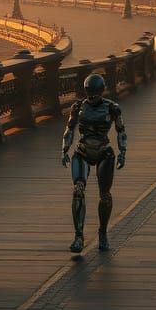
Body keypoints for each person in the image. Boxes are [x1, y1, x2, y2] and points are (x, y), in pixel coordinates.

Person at [61, 72, 127, 253]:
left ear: (102, 90)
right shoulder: (78, 107)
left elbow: (121, 130)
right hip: (82, 151)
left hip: (103, 152)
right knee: (78, 189)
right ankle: (78, 236)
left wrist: (122, 152)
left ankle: (103, 232)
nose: (93, 96)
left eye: (96, 92)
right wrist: (65, 149)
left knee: (104, 195)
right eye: (90, 92)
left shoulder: (112, 108)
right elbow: (69, 129)